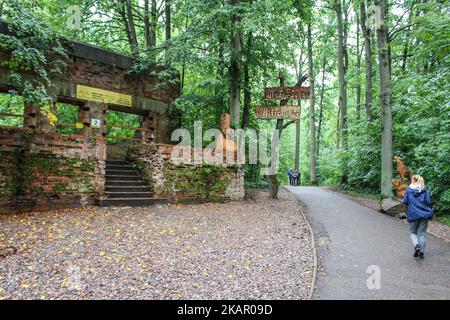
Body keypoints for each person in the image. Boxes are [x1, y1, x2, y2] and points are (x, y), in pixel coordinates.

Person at [402, 175, 433, 259]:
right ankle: (422, 253)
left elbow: (405, 201)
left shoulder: (409, 189)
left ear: (413, 180)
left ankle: (416, 246)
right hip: (424, 214)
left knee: (413, 232)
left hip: (413, 214)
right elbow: (428, 202)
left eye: (411, 179)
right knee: (422, 234)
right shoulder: (425, 190)